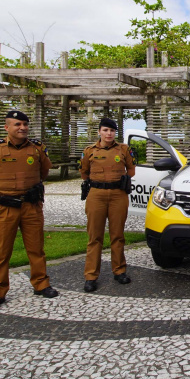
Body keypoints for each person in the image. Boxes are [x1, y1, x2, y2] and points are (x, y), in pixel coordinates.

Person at [0, 110, 57, 313]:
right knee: (1, 252)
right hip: (5, 207)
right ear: (7, 127)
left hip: (31, 206)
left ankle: (41, 284)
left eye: (25, 124)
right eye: (18, 124)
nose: (22, 128)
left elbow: (44, 172)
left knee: (36, 248)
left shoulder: (37, 149)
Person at [79, 117, 136, 292]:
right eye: (105, 130)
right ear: (99, 132)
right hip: (96, 195)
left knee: (117, 235)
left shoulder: (124, 150)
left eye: (111, 130)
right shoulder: (89, 151)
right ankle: (91, 276)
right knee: (94, 236)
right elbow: (84, 173)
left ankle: (119, 271)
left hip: (118, 194)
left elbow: (131, 170)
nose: (109, 133)